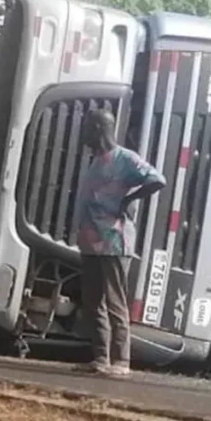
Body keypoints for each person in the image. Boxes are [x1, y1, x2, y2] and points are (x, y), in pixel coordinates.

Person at [76, 108, 166, 376]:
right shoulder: (96, 161)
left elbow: (157, 180)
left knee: (115, 300)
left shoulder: (125, 158)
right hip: (91, 241)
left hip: (114, 241)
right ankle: (100, 357)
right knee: (93, 301)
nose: (83, 134)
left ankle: (121, 360)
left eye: (87, 128)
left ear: (98, 129)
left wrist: (129, 199)